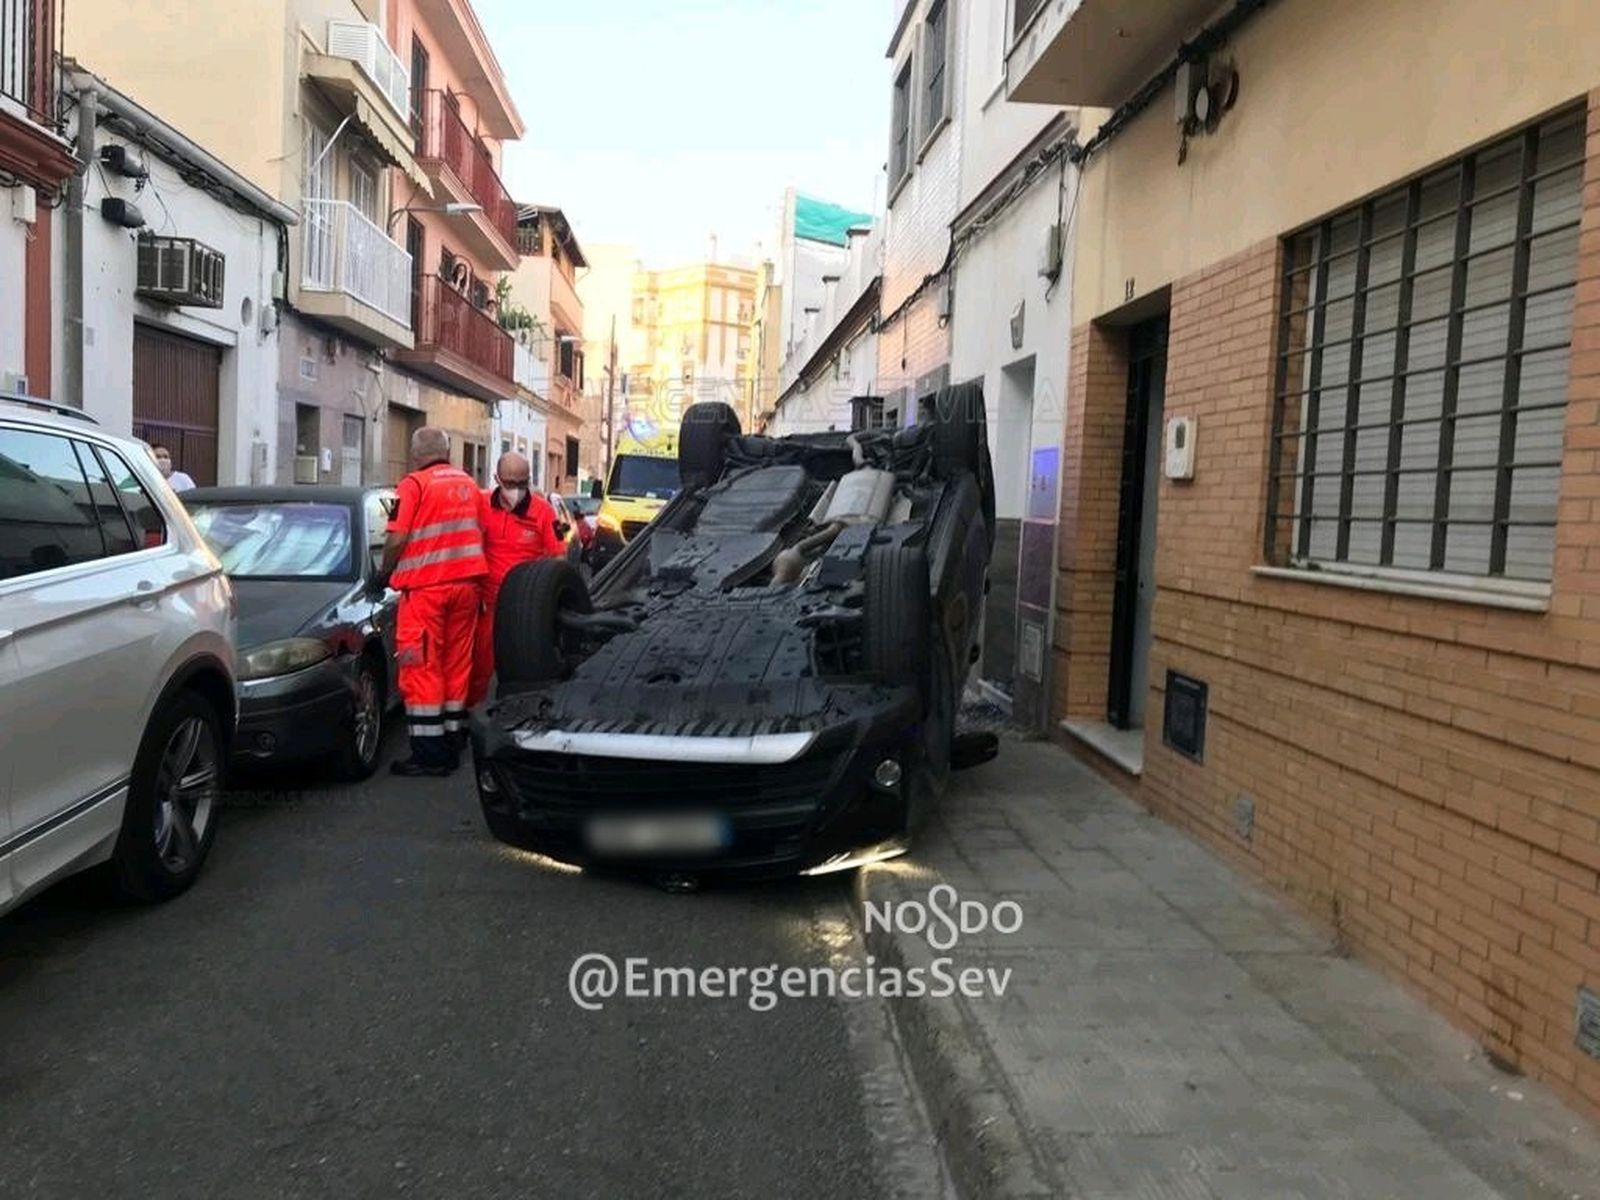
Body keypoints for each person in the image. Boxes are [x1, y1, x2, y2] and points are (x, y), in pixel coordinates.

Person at [375, 428, 487, 777]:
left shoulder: (413, 485)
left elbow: (397, 538)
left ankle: (429, 754)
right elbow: (479, 530)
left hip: (427, 590)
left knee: (421, 667)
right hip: (467, 587)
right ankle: (454, 738)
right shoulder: (469, 484)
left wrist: (384, 572)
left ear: (416, 453)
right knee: (456, 664)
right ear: (446, 451)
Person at [469, 451, 563, 707]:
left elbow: (558, 557)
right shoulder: (480, 504)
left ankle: (518, 714)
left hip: (524, 606)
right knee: (479, 666)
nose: (516, 490)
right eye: (510, 484)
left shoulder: (543, 512)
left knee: (522, 669)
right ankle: (470, 716)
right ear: (496, 478)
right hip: (487, 603)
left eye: (522, 483)